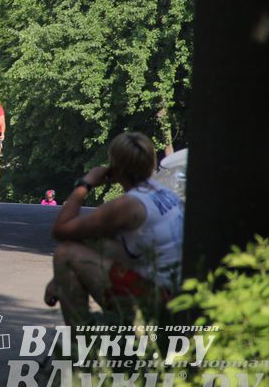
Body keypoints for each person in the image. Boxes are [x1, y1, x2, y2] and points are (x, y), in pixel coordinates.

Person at [44, 132, 184, 329]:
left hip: (156, 303)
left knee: (65, 253)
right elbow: (102, 240)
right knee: (98, 241)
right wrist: (56, 279)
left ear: (114, 168)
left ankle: (81, 344)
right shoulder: (164, 192)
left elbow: (61, 230)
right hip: (178, 296)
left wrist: (85, 184)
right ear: (151, 163)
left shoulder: (128, 206)